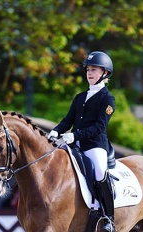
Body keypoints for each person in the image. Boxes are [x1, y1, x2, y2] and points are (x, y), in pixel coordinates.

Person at [48, 51, 115, 232]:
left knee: (100, 172)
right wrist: (56, 131)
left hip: (95, 145)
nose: (89, 74)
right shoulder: (80, 97)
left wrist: (75, 136)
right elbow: (68, 120)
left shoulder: (107, 99)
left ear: (105, 73)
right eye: (88, 70)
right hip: (75, 144)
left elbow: (99, 127)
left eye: (94, 70)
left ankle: (108, 217)